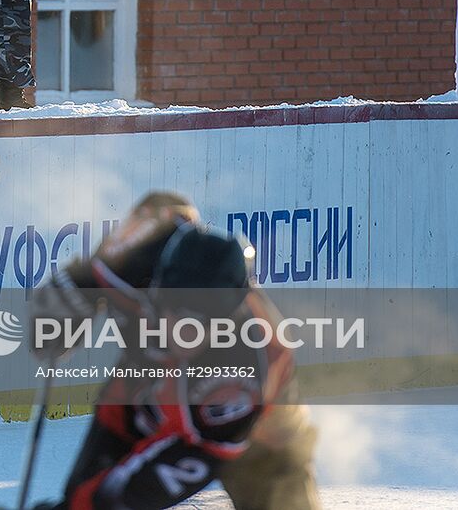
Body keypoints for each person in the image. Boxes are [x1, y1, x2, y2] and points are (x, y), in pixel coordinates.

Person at [26, 190, 320, 510]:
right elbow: (162, 206)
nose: (184, 334)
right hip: (141, 396)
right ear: (157, 288)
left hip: (261, 437)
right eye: (175, 313)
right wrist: (63, 308)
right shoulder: (134, 260)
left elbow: (147, 483)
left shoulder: (249, 367)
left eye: (201, 324)